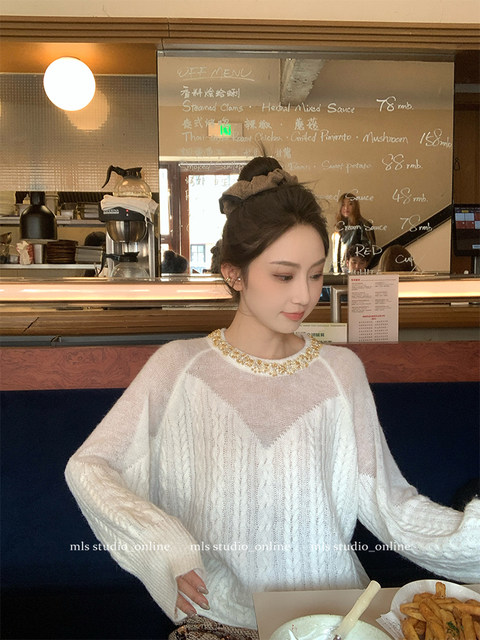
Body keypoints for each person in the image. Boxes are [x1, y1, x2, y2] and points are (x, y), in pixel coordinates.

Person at [65, 157, 479, 640]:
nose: (305, 295)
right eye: (284, 275)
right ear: (234, 274)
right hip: (218, 616)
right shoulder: (178, 367)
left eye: (316, 274)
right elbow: (90, 466)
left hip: (335, 614)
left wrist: (471, 536)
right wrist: (162, 543)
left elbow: (389, 503)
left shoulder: (341, 371)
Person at [331, 192, 376, 274]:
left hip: (356, 272)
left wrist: (359, 268)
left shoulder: (364, 225)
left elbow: (369, 252)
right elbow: (335, 255)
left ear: (355, 206)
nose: (346, 208)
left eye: (350, 204)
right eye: (343, 205)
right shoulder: (339, 227)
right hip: (340, 273)